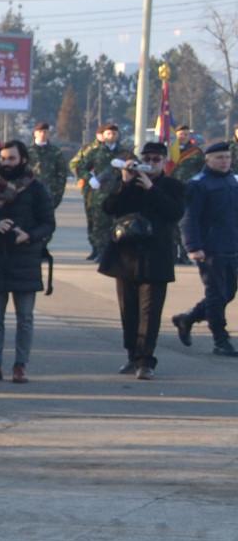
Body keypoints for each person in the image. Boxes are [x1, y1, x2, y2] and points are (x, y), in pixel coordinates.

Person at [98, 141, 187, 379]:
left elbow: (174, 212)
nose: (150, 164)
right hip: (126, 256)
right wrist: (125, 183)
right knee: (129, 311)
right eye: (146, 159)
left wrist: (151, 188)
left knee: (150, 313)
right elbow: (109, 208)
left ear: (164, 162)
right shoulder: (129, 184)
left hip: (155, 258)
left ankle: (145, 361)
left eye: (156, 160)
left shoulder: (172, 185)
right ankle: (131, 355)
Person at [0, 139, 54, 383]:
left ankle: (20, 366)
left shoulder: (37, 188)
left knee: (24, 319)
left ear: (23, 160)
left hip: (25, 260)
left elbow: (48, 222)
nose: (6, 163)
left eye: (11, 159)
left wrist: (30, 236)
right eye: (3, 158)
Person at [174, 141, 238, 356]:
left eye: (227, 158)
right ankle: (220, 340)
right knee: (216, 294)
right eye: (219, 158)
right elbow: (189, 218)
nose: (224, 162)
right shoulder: (198, 183)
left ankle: (188, 318)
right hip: (211, 249)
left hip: (232, 246)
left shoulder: (232, 180)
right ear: (208, 160)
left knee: (227, 292)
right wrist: (194, 246)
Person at [72, 122, 124, 262]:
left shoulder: (125, 153)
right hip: (99, 194)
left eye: (114, 133)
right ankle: (101, 251)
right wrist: (90, 179)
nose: (111, 136)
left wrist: (125, 166)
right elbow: (81, 168)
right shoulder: (95, 153)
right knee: (99, 224)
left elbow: (136, 168)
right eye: (108, 133)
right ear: (103, 136)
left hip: (120, 194)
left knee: (118, 223)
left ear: (118, 135)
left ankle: (116, 252)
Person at [30, 120, 70, 207]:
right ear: (35, 134)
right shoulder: (27, 151)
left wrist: (58, 195)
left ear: (48, 134)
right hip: (30, 193)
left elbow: (62, 173)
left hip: (49, 192)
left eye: (45, 132)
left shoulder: (55, 152)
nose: (42, 134)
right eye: (40, 132)